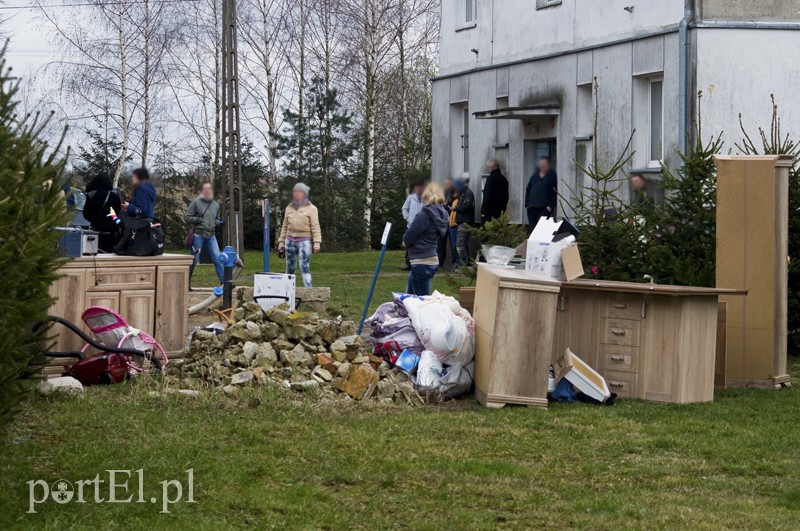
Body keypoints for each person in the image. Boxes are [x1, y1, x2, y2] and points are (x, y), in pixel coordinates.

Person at [403, 183, 448, 296]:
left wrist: (405, 241)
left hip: (421, 261)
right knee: (409, 299)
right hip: (429, 259)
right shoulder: (443, 214)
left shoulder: (424, 215)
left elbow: (409, 236)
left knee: (421, 303)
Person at [277, 183, 321, 288]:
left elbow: (315, 226)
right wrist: (281, 242)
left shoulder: (312, 209)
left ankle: (309, 291)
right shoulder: (289, 208)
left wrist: (317, 243)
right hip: (289, 240)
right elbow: (284, 226)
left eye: (299, 191)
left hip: (305, 241)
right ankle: (287, 292)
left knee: (304, 267)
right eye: (295, 191)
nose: (296, 193)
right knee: (289, 268)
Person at [185, 181, 224, 286]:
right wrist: (199, 220)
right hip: (198, 235)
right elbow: (187, 217)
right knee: (194, 260)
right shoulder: (195, 203)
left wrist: (215, 223)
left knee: (217, 258)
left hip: (211, 235)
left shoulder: (216, 204)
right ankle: (186, 284)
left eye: (209, 189)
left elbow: (217, 218)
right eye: (205, 189)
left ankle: (224, 283)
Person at [82, 171, 121, 253]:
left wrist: (95, 220)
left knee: (92, 252)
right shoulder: (114, 196)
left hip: (95, 229)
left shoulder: (91, 195)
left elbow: (86, 213)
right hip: (111, 231)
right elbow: (116, 214)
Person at [525, 156, 558, 229]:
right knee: (532, 229)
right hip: (532, 207)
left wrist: (550, 206)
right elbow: (528, 189)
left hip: (544, 208)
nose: (542, 165)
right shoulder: (534, 175)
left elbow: (556, 192)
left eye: (544, 164)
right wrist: (527, 204)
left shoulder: (552, 176)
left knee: (541, 229)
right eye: (541, 163)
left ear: (548, 165)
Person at [401, 180, 426, 270]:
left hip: (422, 227)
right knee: (409, 245)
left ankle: (419, 263)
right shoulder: (411, 198)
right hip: (411, 225)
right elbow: (404, 208)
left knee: (420, 245)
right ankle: (409, 264)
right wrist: (407, 218)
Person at [452, 179, 475, 267]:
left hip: (466, 221)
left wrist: (456, 208)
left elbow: (468, 206)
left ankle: (465, 265)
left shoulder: (468, 193)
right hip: (461, 221)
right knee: (462, 244)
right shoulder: (462, 194)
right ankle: (465, 264)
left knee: (460, 245)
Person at [437, 177, 455, 267]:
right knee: (441, 244)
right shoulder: (443, 194)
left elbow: (452, 206)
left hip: (452, 222)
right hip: (443, 222)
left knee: (453, 244)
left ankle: (454, 263)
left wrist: (446, 206)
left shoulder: (454, 194)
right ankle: (440, 263)